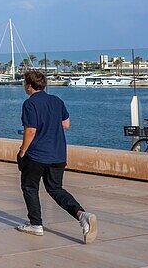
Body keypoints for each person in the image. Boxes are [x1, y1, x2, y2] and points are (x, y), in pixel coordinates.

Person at [16, 70, 97, 243]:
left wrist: (22, 151)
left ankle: (36, 224)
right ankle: (82, 215)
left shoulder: (30, 104)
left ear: (29, 85)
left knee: (30, 187)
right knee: (55, 189)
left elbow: (30, 130)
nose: (24, 85)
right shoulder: (57, 101)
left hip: (37, 154)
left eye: (25, 83)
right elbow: (66, 124)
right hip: (58, 154)